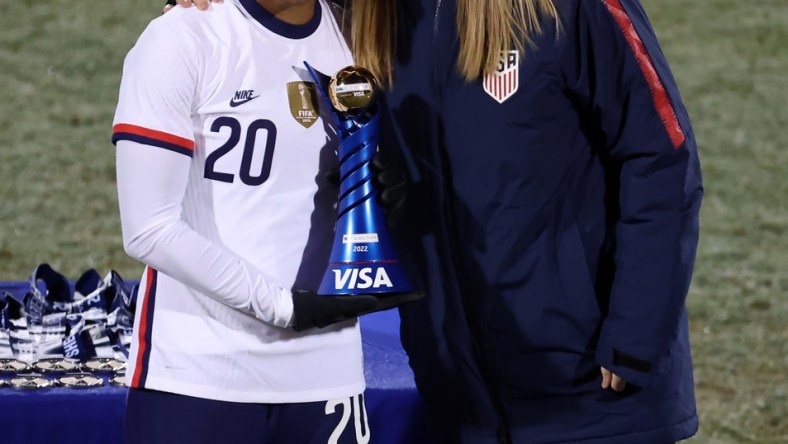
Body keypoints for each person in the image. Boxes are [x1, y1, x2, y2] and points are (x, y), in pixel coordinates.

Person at [175, 0, 703, 443]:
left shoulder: (567, 7)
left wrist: (636, 335)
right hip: (457, 395)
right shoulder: (367, 10)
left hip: (592, 397)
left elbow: (661, 158)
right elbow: (273, 26)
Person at [113, 0, 382, 442]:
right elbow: (149, 229)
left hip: (327, 378)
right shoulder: (183, 37)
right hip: (197, 377)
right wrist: (282, 307)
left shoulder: (364, 39)